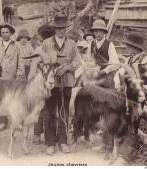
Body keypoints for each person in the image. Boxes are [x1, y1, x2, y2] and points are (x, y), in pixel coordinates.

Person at [34, 16, 81, 155]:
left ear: (67, 29)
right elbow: (39, 62)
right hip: (50, 84)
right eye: (59, 28)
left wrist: (67, 68)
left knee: (64, 111)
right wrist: (51, 69)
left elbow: (78, 61)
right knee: (49, 111)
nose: (62, 31)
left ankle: (62, 141)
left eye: (64, 28)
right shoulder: (47, 43)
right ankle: (50, 143)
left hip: (67, 83)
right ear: (55, 29)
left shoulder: (72, 44)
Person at [0, 23, 19, 131]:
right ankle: (2, 121)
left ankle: (16, 121)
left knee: (13, 98)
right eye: (3, 33)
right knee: (0, 98)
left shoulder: (16, 45)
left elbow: (21, 61)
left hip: (12, 75)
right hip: (0, 76)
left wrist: (19, 73)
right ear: (0, 34)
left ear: (10, 33)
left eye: (7, 32)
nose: (5, 34)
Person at [30, 24, 55, 145]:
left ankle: (38, 134)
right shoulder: (42, 51)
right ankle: (39, 134)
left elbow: (31, 73)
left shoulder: (39, 50)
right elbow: (33, 70)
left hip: (46, 84)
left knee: (41, 109)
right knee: (44, 109)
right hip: (42, 85)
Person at [120, 32, 147, 100]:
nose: (127, 47)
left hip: (143, 94)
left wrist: (146, 88)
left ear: (135, 47)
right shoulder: (128, 59)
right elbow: (120, 72)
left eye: (129, 45)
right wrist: (118, 84)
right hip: (129, 91)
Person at [86, 19, 120, 89]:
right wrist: (91, 69)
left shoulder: (109, 45)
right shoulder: (91, 44)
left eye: (100, 31)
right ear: (93, 33)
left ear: (104, 32)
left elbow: (115, 63)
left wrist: (104, 71)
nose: (98, 33)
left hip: (106, 73)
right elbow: (88, 60)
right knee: (85, 86)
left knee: (108, 86)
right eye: (96, 31)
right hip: (94, 72)